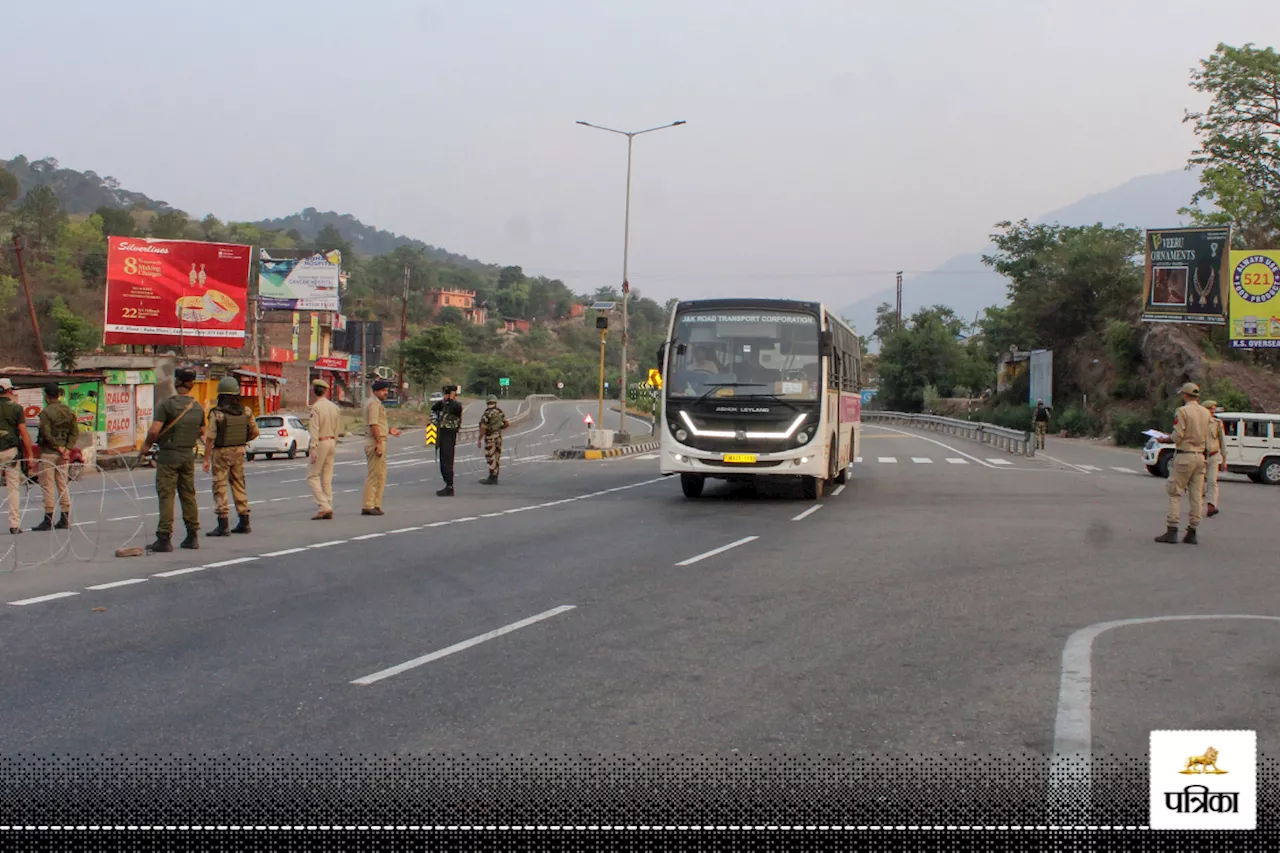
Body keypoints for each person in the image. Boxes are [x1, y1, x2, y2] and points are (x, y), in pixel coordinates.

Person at [138, 368, 206, 552]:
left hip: (168, 455)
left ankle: (164, 537)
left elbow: (154, 430)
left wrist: (145, 447)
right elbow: (202, 433)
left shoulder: (167, 405)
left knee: (166, 495)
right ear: (192, 384)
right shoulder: (198, 407)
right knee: (188, 495)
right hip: (187, 456)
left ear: (177, 382)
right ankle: (192, 536)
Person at [1154, 382, 1212, 545]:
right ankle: (1192, 531)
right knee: (1196, 496)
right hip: (1200, 457)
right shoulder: (1206, 413)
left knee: (1175, 492)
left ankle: (1172, 530)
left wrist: (1165, 438)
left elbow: (1178, 435)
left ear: (1185, 395)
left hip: (1184, 455)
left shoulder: (1183, 412)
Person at [202, 376, 259, 536]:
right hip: (239, 451)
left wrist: (206, 459)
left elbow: (210, 438)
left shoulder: (217, 414)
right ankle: (244, 521)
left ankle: (223, 524)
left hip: (221, 452)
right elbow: (255, 432)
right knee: (239, 484)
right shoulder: (246, 411)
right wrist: (242, 440)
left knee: (220, 486)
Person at [31, 383, 77, 532]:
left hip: (49, 452)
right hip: (63, 453)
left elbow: (46, 433)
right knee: (62, 485)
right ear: (59, 395)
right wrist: (67, 449)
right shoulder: (68, 411)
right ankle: (65, 517)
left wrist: (57, 447)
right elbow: (74, 432)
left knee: (48, 485)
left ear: (46, 395)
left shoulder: (46, 413)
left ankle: (48, 518)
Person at [0, 378, 37, 536]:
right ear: (10, 391)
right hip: (10, 451)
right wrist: (29, 455)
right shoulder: (16, 408)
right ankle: (14, 524)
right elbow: (23, 432)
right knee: (13, 487)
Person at [362, 379, 401, 515]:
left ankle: (376, 504)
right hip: (375, 441)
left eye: (386, 390)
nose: (386, 393)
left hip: (380, 439)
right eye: (384, 390)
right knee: (374, 474)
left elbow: (379, 424)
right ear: (376, 391)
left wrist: (389, 430)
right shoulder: (373, 404)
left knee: (381, 474)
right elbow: (373, 424)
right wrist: (378, 443)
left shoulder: (377, 404)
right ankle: (368, 504)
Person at [307, 378, 340, 520]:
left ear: (314, 391)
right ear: (326, 391)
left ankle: (324, 505)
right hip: (332, 441)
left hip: (321, 442)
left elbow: (314, 429)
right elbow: (338, 427)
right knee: (326, 478)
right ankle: (328, 506)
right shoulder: (334, 407)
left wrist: (313, 447)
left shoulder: (316, 408)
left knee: (312, 476)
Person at [430, 384, 463, 496]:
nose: (445, 396)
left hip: (450, 433)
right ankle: (447, 484)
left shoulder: (456, 406)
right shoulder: (443, 404)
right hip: (442, 433)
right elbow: (434, 408)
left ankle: (450, 486)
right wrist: (444, 401)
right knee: (443, 461)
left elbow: (455, 407)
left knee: (448, 460)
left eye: (446, 393)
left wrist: (451, 398)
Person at [477, 395, 510, 485]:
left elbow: (483, 427)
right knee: (497, 455)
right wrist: (499, 428)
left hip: (490, 436)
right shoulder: (499, 412)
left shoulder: (487, 413)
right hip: (498, 436)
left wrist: (480, 438)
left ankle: (492, 476)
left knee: (490, 455)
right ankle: (495, 475)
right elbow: (507, 423)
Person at [1202, 399, 1226, 518]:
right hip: (1200, 456)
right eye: (1210, 409)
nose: (1213, 411)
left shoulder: (1217, 423)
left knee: (1212, 481)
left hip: (1213, 455)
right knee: (1198, 483)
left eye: (1213, 409)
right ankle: (1196, 505)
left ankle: (1211, 506)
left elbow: (1222, 441)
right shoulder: (1198, 422)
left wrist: (1224, 460)